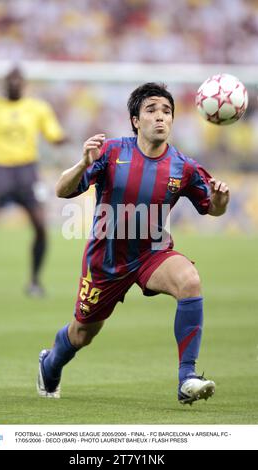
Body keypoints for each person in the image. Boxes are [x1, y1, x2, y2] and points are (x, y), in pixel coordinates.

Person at [37, 82, 229, 404]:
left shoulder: (184, 167)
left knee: (189, 281)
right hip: (106, 260)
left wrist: (220, 200)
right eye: (151, 110)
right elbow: (61, 189)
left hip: (151, 254)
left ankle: (187, 379)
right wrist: (84, 163)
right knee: (82, 333)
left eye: (166, 111)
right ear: (135, 121)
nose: (160, 117)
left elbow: (213, 209)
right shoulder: (111, 152)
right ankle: (50, 363)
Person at [0, 66, 68, 296]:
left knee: (40, 226)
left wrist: (66, 140)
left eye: (18, 81)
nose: (14, 84)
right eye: (10, 81)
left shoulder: (37, 108)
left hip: (27, 172)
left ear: (24, 84)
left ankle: (35, 282)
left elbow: (54, 135)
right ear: (4, 83)